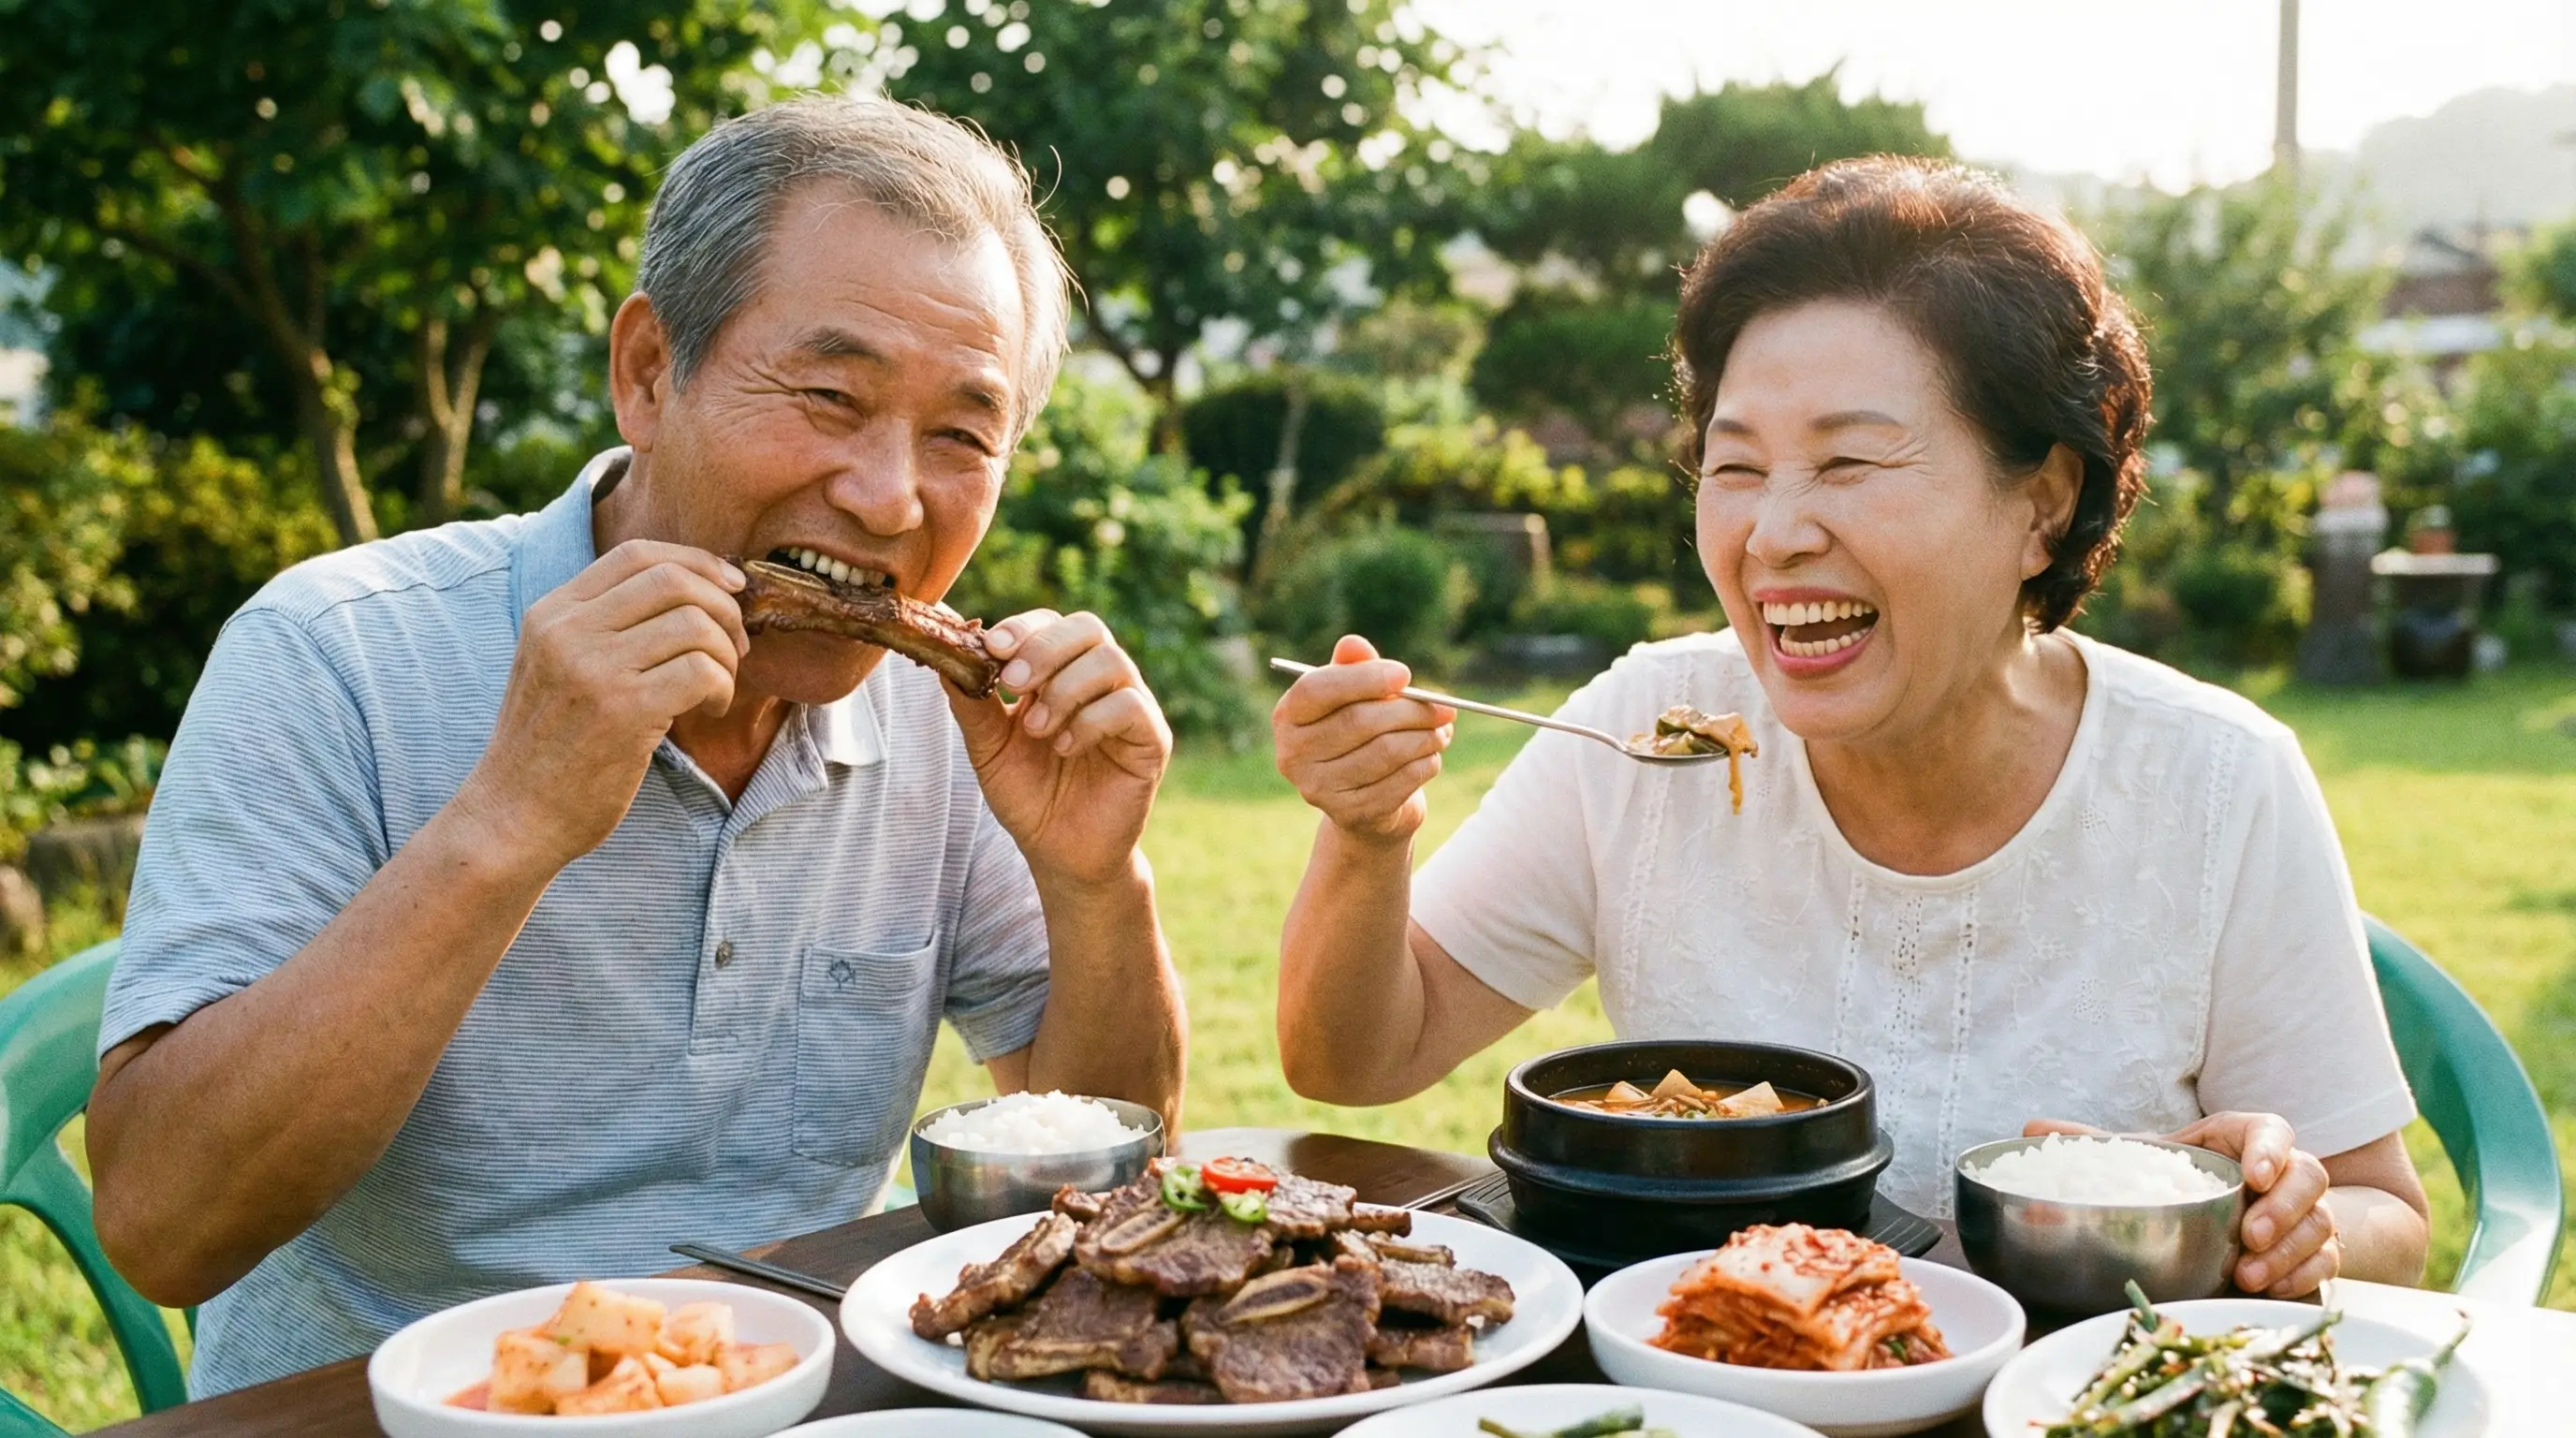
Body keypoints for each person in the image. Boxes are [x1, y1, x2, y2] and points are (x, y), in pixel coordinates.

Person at [85, 98, 1187, 1394]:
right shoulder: (336, 653)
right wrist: (508, 821)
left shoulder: (955, 722)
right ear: (651, 372)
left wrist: (1094, 879)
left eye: (960, 435)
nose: (891, 498)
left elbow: (1114, 1193)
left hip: (797, 1400)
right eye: (830, 396)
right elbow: (166, 1227)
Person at [1272, 157, 2427, 1299]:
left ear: (2042, 503)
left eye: (1849, 461)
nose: (1774, 534)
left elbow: (2384, 1215)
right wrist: (1370, 834)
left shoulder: (2215, 782)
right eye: (1736, 465)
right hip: (1701, 1374)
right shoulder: (1648, 731)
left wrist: (2271, 1224)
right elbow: (1355, 1056)